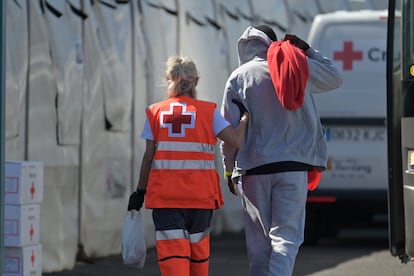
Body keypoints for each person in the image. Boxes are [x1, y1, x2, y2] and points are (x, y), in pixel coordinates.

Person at [220, 25, 342, 276]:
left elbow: (229, 132)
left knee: (258, 244)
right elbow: (334, 77)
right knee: (286, 237)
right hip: (293, 167)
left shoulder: (238, 76)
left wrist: (228, 169)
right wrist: (307, 50)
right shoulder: (295, 67)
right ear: (271, 44)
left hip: (253, 168)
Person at [127, 55, 248, 276]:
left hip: (166, 200)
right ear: (196, 82)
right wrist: (244, 120)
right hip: (200, 200)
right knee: (198, 261)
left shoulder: (155, 112)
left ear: (169, 80)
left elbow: (148, 157)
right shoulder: (208, 112)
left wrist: (139, 192)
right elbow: (235, 141)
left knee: (174, 261)